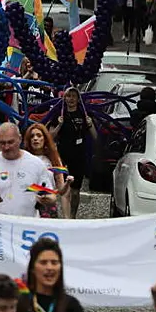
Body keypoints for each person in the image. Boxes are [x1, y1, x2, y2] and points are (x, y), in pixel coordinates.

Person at [0, 123, 55, 218]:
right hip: (0, 226)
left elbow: (51, 196)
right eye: (2, 143)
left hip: (27, 225)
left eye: (10, 142)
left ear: (19, 139)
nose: (6, 147)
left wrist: (47, 199)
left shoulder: (36, 163)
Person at [13, 238, 84, 312]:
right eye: (43, 262)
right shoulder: (17, 303)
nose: (49, 267)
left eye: (54, 262)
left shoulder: (72, 306)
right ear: (33, 268)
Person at [48, 89, 95, 218]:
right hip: (62, 155)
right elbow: (50, 137)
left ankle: (73, 216)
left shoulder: (84, 113)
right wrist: (59, 125)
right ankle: (64, 214)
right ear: (64, 98)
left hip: (79, 156)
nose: (71, 99)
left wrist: (90, 125)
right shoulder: (59, 113)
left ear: (78, 99)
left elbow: (95, 137)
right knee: (62, 188)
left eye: (74, 96)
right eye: (68, 96)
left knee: (75, 191)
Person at [23, 124, 68, 218]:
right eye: (32, 136)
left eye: (39, 135)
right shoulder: (23, 159)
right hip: (28, 206)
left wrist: (68, 183)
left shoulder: (54, 159)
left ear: (45, 139)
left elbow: (61, 190)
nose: (35, 138)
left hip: (48, 206)